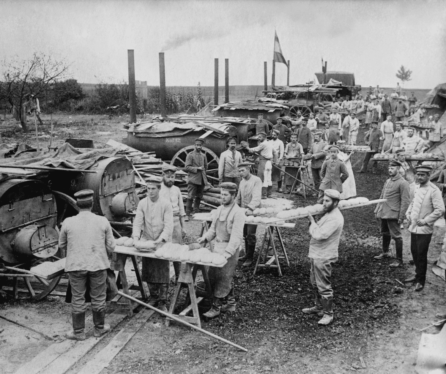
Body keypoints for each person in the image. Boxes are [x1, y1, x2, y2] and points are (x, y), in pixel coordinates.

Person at [59, 189, 115, 340]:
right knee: (98, 297)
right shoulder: (103, 221)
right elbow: (111, 246)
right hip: (98, 265)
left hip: (76, 265)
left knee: (78, 298)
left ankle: (78, 332)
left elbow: (62, 245)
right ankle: (99, 329)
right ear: (92, 204)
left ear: (77, 204)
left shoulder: (68, 222)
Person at [197, 182, 246, 317]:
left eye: (225, 195)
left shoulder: (238, 213)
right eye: (221, 194)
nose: (222, 197)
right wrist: (205, 238)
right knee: (214, 275)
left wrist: (227, 253)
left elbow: (236, 237)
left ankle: (216, 307)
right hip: (218, 247)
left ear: (233, 195)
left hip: (230, 249)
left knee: (223, 277)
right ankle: (230, 303)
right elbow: (213, 230)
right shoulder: (219, 210)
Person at [302, 189, 344, 326]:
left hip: (325, 256)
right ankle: (318, 307)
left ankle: (328, 314)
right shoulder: (328, 213)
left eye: (327, 201)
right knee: (314, 282)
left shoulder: (335, 218)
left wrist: (311, 221)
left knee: (323, 285)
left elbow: (320, 235)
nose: (324, 203)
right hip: (317, 253)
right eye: (323, 200)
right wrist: (313, 221)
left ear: (336, 202)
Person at [133, 178, 173, 311]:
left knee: (162, 270)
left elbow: (168, 226)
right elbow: (138, 222)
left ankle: (163, 300)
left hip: (162, 242)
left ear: (159, 189)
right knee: (148, 269)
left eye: (153, 189)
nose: (150, 191)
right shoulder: (143, 203)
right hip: (147, 240)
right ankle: (153, 296)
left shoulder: (166, 204)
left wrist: (160, 240)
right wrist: (135, 238)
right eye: (148, 189)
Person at [405, 165, 445, 291]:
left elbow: (440, 210)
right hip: (414, 226)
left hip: (424, 229)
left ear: (428, 176)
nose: (419, 177)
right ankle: (417, 275)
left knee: (421, 254)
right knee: (415, 252)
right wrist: (408, 213)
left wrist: (426, 220)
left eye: (423, 175)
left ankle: (421, 281)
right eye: (418, 174)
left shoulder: (434, 190)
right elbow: (413, 202)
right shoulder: (417, 187)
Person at [374, 160, 410, 267]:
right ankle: (385, 252)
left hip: (393, 214)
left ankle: (399, 259)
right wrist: (377, 209)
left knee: (397, 236)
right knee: (385, 232)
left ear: (398, 169)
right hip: (384, 212)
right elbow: (382, 196)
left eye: (392, 168)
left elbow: (405, 201)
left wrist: (401, 216)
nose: (390, 170)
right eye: (389, 168)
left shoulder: (403, 183)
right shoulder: (388, 181)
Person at [160, 165, 186, 277]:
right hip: (163, 223)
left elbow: (181, 209)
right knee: (163, 250)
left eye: (173, 177)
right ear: (163, 176)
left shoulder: (177, 189)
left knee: (177, 250)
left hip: (176, 222)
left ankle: (178, 276)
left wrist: (183, 226)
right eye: (168, 176)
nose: (170, 179)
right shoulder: (159, 189)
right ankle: (164, 279)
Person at [236, 163, 262, 267]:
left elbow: (257, 197)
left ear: (248, 169)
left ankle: (250, 257)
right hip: (243, 211)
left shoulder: (256, 180)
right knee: (244, 233)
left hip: (253, 211)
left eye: (242, 170)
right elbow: (239, 196)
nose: (240, 173)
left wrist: (250, 208)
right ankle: (246, 255)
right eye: (239, 171)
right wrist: (235, 207)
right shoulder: (242, 181)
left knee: (251, 234)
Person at [244, 131, 276, 198]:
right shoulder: (269, 143)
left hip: (263, 162)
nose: (259, 138)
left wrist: (247, 148)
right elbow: (274, 152)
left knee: (262, 178)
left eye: (260, 137)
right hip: (269, 162)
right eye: (258, 137)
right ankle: (269, 194)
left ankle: (263, 195)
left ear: (264, 137)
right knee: (268, 178)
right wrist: (275, 160)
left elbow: (255, 149)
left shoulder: (263, 144)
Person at [185, 138, 208, 221]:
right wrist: (197, 168)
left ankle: (196, 211)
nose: (199, 147)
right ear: (194, 145)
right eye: (197, 145)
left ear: (202, 146)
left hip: (201, 179)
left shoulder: (203, 155)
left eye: (200, 145)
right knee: (190, 196)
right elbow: (187, 167)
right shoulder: (190, 155)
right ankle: (187, 213)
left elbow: (206, 167)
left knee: (199, 196)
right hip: (193, 179)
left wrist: (204, 175)